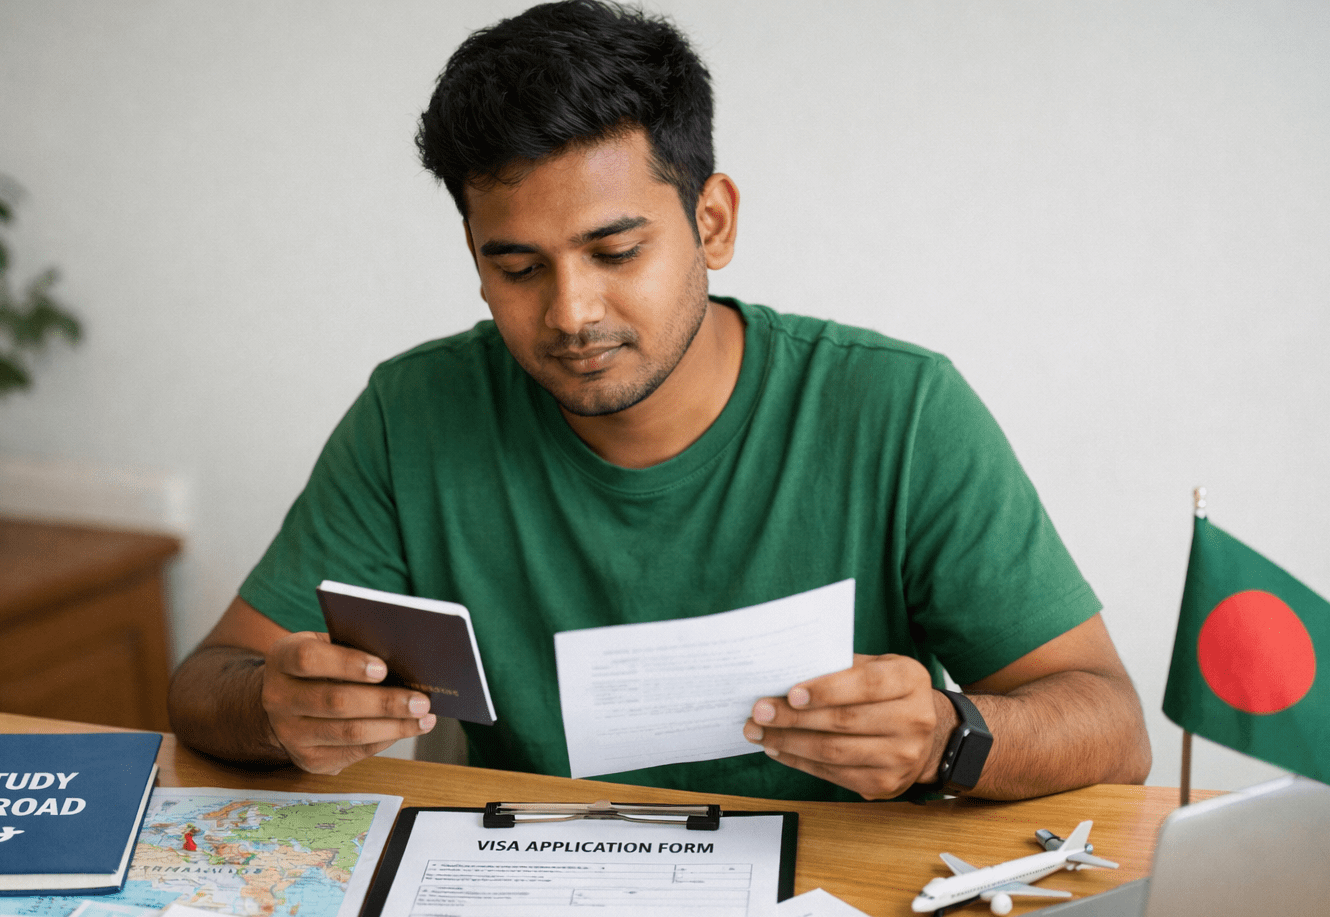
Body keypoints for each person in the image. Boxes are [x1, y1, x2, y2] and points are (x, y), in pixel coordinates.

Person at [169, 0, 1151, 802]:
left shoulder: (899, 410)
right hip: (541, 894)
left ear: (712, 222)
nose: (571, 312)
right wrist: (278, 709)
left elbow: (1112, 726)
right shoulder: (414, 414)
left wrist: (946, 737)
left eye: (616, 251)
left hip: (842, 904)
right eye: (518, 267)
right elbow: (209, 682)